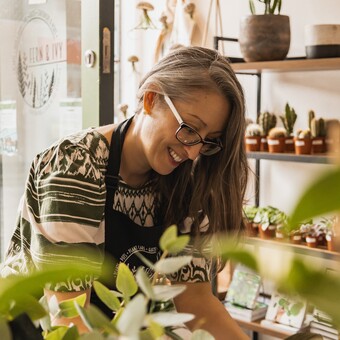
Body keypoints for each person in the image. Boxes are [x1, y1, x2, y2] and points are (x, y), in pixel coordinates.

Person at [1, 46, 249, 339]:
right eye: (190, 128)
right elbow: (69, 320)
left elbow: (198, 304)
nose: (194, 151)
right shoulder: (75, 168)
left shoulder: (188, 181)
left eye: (210, 141)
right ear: (151, 99)